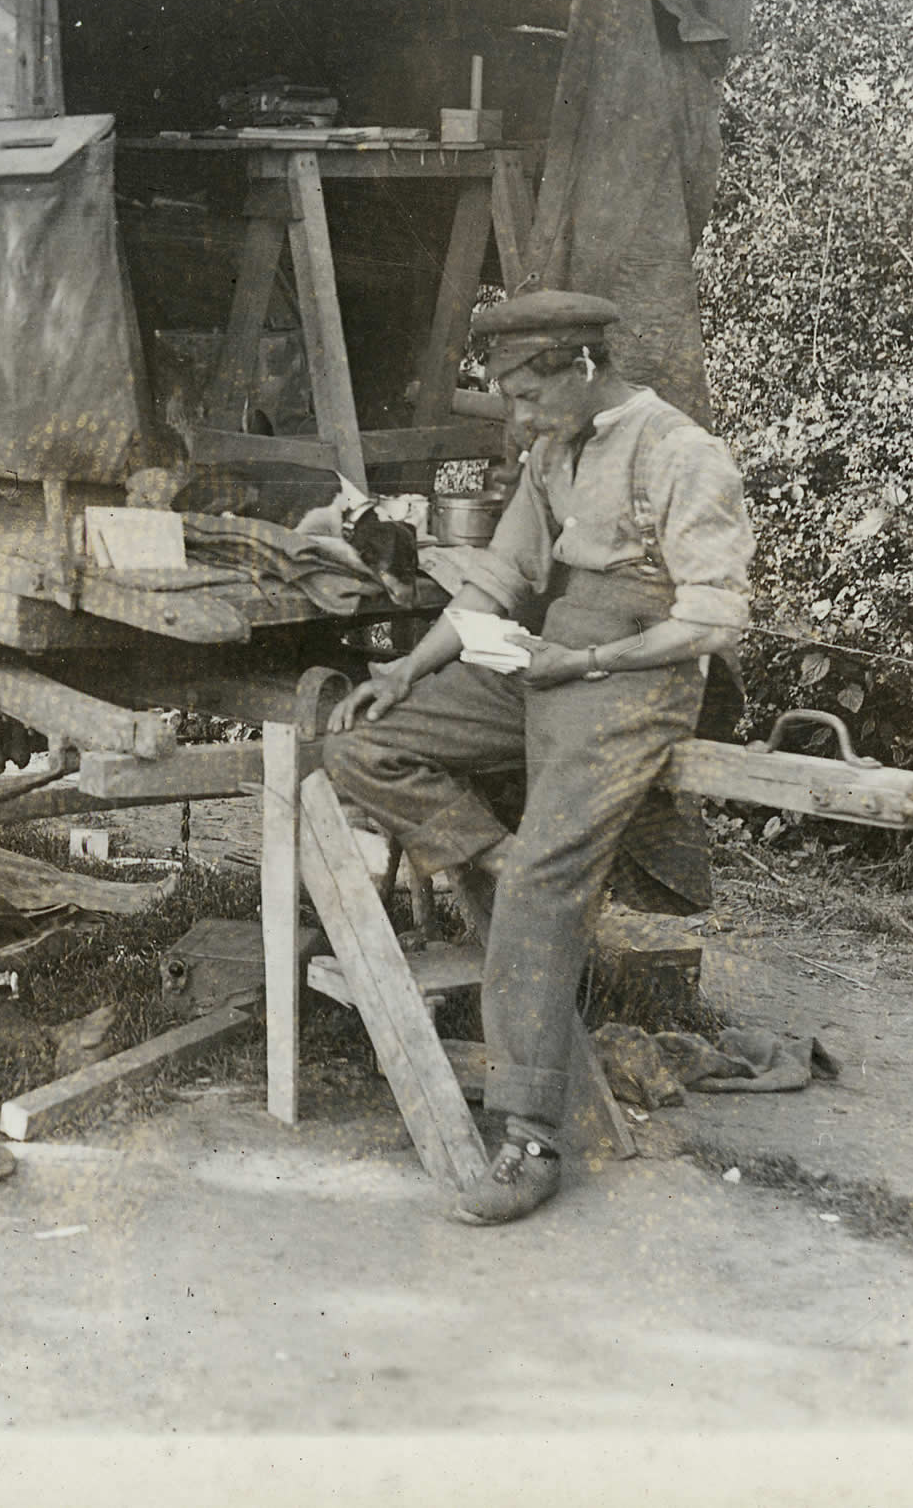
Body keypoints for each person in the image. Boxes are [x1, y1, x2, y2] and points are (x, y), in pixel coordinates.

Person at [321, 291, 754, 1226]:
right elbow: (497, 581)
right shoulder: (553, 454)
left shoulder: (683, 454)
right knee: (357, 743)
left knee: (543, 888)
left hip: (635, 682)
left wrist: (590, 658)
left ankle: (528, 1137)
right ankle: (496, 852)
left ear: (583, 367)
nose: (515, 418)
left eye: (526, 395)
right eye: (507, 396)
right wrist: (405, 670)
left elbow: (713, 619)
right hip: (547, 664)